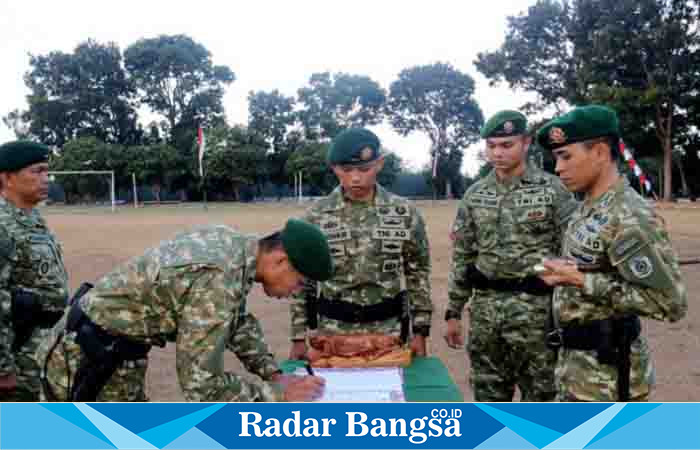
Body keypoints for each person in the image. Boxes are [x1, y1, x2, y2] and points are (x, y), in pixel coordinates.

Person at [37, 219, 332, 402]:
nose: (296, 291)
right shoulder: (217, 277)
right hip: (84, 362)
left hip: (110, 355)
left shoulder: (235, 248)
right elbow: (201, 386)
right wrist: (278, 396)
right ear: (280, 260)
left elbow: (237, 322)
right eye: (300, 281)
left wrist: (274, 373)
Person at [536, 104, 687, 401]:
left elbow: (670, 303)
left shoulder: (630, 214)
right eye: (556, 157)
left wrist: (581, 280)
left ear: (601, 153)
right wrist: (564, 272)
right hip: (578, 373)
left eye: (566, 156)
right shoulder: (589, 206)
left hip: (609, 382)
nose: (558, 168)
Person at [444, 110, 578, 401]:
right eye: (491, 146)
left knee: (542, 400)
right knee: (489, 400)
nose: (497, 153)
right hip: (486, 318)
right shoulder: (475, 194)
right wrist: (453, 312)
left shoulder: (553, 190)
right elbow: (463, 257)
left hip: (538, 317)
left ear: (526, 143)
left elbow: (572, 254)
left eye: (507, 145)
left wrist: (568, 312)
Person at [288, 128, 432, 361]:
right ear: (334, 168)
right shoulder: (315, 216)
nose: (355, 177)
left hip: (389, 332)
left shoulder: (405, 213)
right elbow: (303, 281)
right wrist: (297, 337)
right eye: (346, 170)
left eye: (364, 169)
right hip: (332, 334)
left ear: (379, 164)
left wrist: (421, 331)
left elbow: (417, 273)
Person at [0, 140, 69, 401]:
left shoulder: (31, 218)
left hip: (42, 345)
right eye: (36, 171)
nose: (46, 179)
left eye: (46, 172)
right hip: (18, 351)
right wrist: (3, 368)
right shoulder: (3, 224)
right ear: (7, 178)